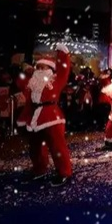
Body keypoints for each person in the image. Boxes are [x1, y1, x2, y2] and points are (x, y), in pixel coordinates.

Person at [16, 44, 74, 187]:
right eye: (39, 67)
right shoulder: (32, 83)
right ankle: (39, 169)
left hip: (52, 117)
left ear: (51, 70)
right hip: (35, 118)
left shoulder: (57, 80)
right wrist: (23, 118)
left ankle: (64, 173)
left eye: (44, 67)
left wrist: (62, 53)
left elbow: (64, 69)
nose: (40, 70)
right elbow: (27, 98)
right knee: (35, 147)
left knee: (57, 147)